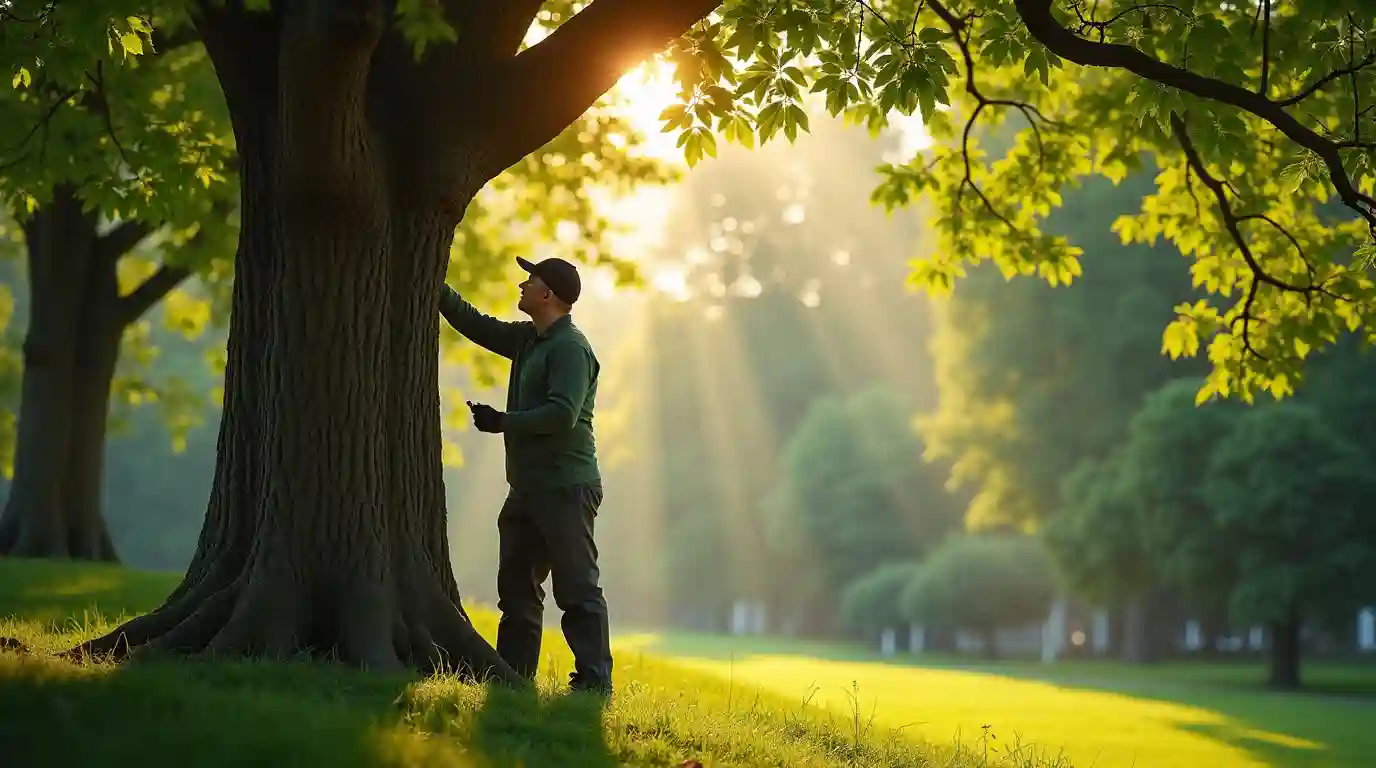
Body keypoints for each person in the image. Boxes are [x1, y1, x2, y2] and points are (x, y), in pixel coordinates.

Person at [438, 256, 612, 695]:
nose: (522, 283)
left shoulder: (570, 348)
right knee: (516, 589)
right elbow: (478, 325)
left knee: (576, 590)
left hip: (567, 487)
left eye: (529, 279)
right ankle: (515, 677)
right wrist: (433, 285)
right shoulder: (529, 340)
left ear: (548, 294)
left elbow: (563, 414)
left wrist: (504, 421)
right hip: (528, 489)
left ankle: (594, 682)